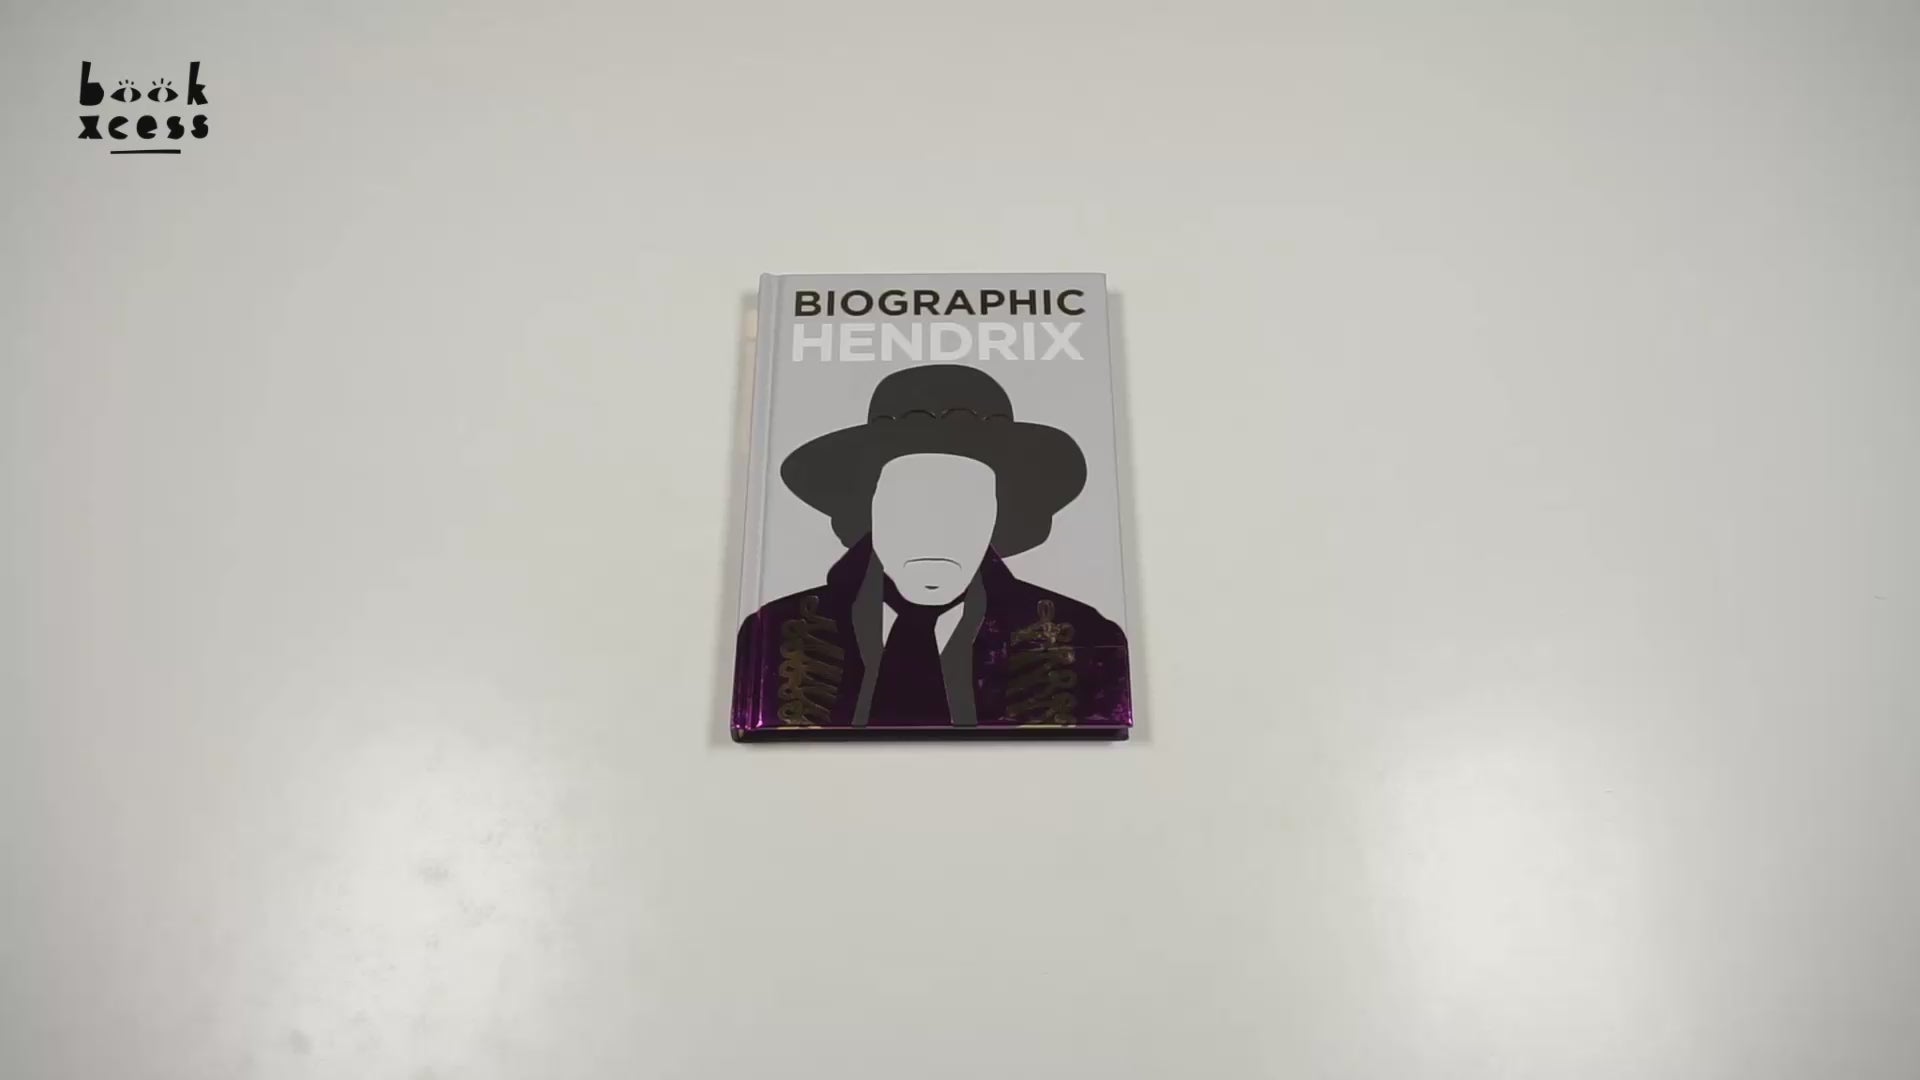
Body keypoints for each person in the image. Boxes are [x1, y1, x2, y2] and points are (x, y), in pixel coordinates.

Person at [732, 365, 1130, 735]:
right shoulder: (775, 637)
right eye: (910, 502)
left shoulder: (1084, 639)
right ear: (869, 509)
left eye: (965, 504)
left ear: (998, 514)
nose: (936, 532)